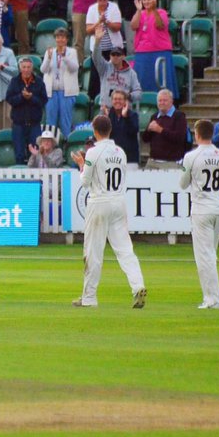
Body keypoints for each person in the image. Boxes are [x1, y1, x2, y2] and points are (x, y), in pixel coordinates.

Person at [71, 114, 147, 309]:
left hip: (100, 202)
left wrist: (81, 164)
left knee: (93, 252)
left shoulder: (93, 152)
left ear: (95, 131)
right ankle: (138, 285)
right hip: (118, 202)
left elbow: (85, 182)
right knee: (125, 250)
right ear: (110, 130)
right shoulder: (120, 151)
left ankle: (89, 298)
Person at [180, 118, 219, 309]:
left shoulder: (192, 156)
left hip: (202, 209)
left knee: (204, 256)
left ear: (197, 134)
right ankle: (212, 297)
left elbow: (183, 183)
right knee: (211, 253)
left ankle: (212, 299)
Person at [131, 0, 176, 100]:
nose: (146, 2)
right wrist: (138, 11)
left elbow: (161, 25)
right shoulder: (140, 14)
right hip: (142, 51)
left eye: (149, 0)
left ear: (155, 0)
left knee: (160, 81)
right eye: (144, 0)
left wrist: (154, 10)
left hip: (160, 50)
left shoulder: (161, 12)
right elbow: (133, 26)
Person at [6, 57, 47, 166]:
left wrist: (31, 97)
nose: (26, 69)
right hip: (18, 124)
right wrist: (22, 97)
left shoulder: (39, 81)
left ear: (32, 68)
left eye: (28, 67)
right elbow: (9, 99)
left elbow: (43, 100)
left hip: (34, 124)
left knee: (34, 154)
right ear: (20, 68)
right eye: (24, 67)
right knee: (19, 153)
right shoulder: (14, 81)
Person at [41, 27, 78, 139]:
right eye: (58, 37)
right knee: (50, 120)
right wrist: (48, 58)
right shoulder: (49, 52)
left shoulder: (72, 52)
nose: (60, 40)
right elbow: (43, 70)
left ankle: (66, 142)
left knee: (65, 121)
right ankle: (50, 144)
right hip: (51, 92)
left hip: (66, 92)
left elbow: (74, 68)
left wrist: (64, 57)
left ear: (66, 39)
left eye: (62, 37)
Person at [143, 88, 187, 169]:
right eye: (160, 101)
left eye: (165, 100)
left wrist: (160, 130)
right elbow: (145, 139)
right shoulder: (154, 116)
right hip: (152, 161)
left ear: (171, 101)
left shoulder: (179, 116)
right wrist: (148, 130)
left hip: (171, 162)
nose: (162, 103)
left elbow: (179, 138)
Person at [95, 45, 141, 111]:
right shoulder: (104, 68)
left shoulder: (131, 73)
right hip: (106, 109)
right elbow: (96, 57)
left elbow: (138, 93)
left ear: (123, 56)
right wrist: (97, 41)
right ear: (110, 56)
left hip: (123, 111)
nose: (115, 57)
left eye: (118, 55)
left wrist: (128, 96)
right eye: (113, 54)